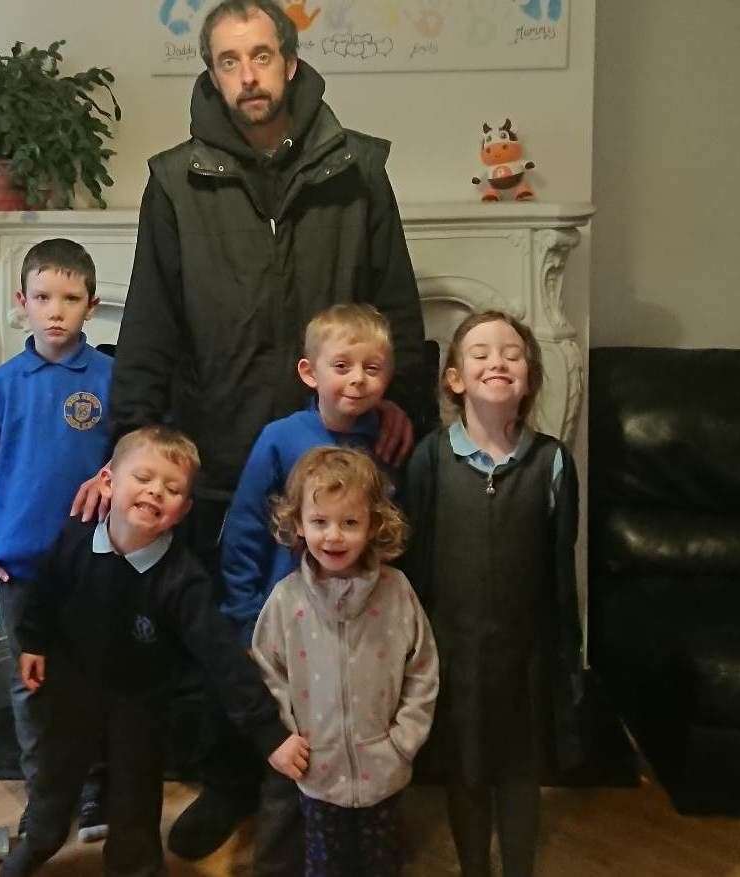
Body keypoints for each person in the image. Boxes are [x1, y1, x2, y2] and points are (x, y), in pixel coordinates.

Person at [77, 0, 435, 859]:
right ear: (211, 73)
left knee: (341, 629)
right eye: (230, 61)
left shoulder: (358, 170)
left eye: (262, 56)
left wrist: (403, 404)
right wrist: (129, 445)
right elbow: (151, 325)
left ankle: (356, 784)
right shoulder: (173, 181)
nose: (249, 76)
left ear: (291, 62)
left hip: (336, 456)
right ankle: (238, 777)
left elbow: (398, 303)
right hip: (224, 448)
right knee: (236, 632)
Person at [0, 426, 310, 877]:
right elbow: (42, 590)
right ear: (108, 482)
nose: (154, 492)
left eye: (171, 488)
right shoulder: (75, 536)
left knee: (135, 808)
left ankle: (136, 865)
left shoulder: (183, 581)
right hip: (70, 696)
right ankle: (39, 842)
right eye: (143, 478)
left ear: (183, 510)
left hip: (140, 711)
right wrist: (32, 642)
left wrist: (271, 735)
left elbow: (224, 660)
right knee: (52, 789)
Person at [402, 311, 585, 877]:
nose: (497, 361)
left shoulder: (552, 462)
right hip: (452, 651)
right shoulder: (431, 458)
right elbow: (416, 562)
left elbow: (560, 574)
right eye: (480, 352)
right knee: (467, 768)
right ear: (455, 378)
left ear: (528, 379)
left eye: (511, 353)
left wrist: (566, 662)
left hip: (526, 655)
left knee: (519, 771)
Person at [0, 238, 113, 842]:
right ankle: (46, 797)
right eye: (43, 297)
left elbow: (128, 457)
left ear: (90, 306)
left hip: (95, 561)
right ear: (20, 301)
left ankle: (98, 789)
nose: (56, 311)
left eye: (70, 299)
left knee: (94, 676)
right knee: (31, 686)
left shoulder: (108, 377)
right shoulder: (3, 384)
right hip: (21, 567)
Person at [251, 445, 438, 876]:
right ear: (298, 523)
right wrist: (284, 738)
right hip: (317, 772)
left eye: (350, 522)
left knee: (382, 865)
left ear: (373, 524)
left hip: (385, 769)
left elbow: (422, 668)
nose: (333, 536)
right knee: (325, 866)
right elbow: (266, 673)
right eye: (320, 522)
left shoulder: (397, 592)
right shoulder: (286, 601)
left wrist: (403, 741)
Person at [220, 303, 395, 645]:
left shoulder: (388, 443)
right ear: (310, 372)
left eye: (372, 368)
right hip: (284, 619)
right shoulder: (279, 438)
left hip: (364, 625)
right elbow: (245, 531)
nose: (358, 378)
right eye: (342, 366)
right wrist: (246, 619)